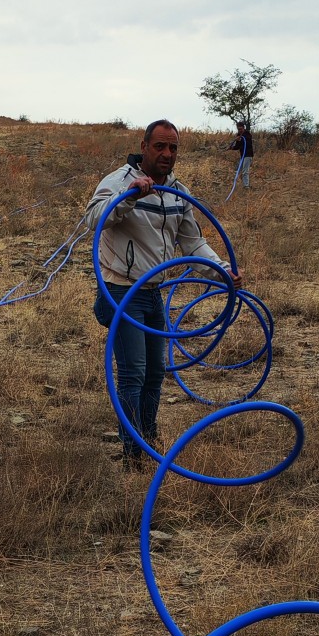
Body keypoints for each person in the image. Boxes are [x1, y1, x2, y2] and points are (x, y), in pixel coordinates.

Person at [84, 121, 240, 464]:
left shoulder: (176, 192)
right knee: (134, 372)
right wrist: (130, 198)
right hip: (122, 292)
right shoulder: (118, 182)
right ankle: (133, 450)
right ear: (144, 145)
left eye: (173, 148)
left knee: (156, 371)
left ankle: (148, 435)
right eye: (159, 147)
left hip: (153, 291)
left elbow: (192, 241)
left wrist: (222, 270)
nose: (167, 154)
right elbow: (94, 219)